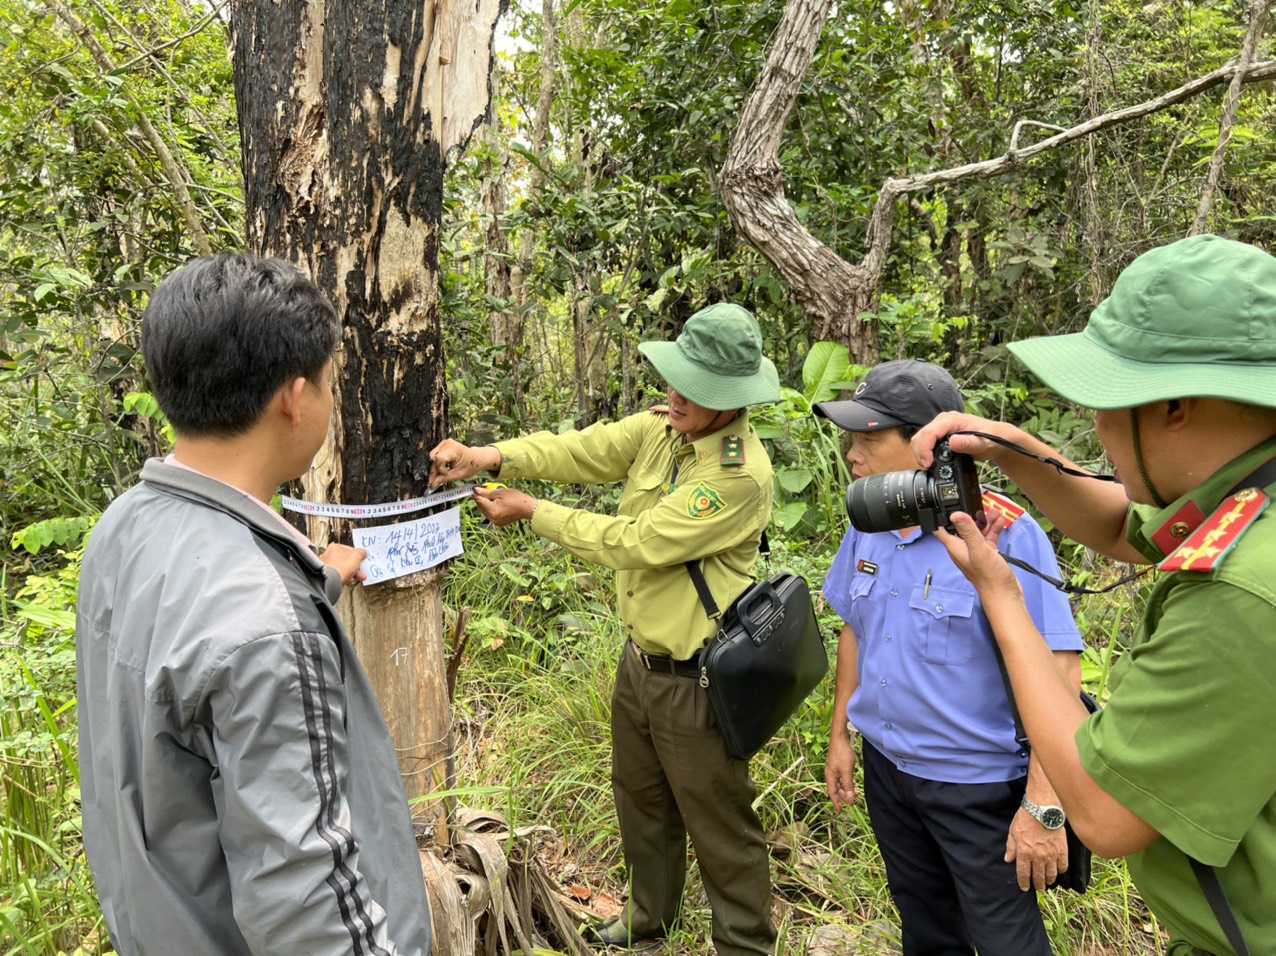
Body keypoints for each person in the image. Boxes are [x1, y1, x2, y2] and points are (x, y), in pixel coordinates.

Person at [914, 233, 1276, 956]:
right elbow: (1122, 525)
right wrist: (1017, 449)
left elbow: (1106, 816)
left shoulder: (1240, 589)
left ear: (1174, 404)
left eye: (1106, 404)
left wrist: (1003, 599)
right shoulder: (1248, 496)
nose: (1098, 430)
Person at [76, 254, 433, 955]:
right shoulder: (268, 628)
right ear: (294, 399)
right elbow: (306, 907)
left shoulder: (122, 527)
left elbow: (196, 663)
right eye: (331, 384)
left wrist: (307, 576)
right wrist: (288, 608)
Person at [428, 303, 780, 955]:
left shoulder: (734, 474)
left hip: (698, 677)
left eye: (692, 387)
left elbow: (637, 542)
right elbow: (585, 450)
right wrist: (489, 456)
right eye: (675, 379)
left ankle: (744, 943)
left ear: (728, 399)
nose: (673, 395)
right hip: (641, 663)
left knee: (718, 821)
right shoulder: (664, 428)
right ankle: (650, 920)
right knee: (641, 800)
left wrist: (533, 512)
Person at [815, 359, 1084, 956]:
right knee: (927, 928)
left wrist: (1045, 802)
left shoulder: (1004, 535)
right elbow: (855, 630)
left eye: (868, 438)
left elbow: (1061, 670)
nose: (852, 455)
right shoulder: (869, 524)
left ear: (927, 445)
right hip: (892, 774)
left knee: (1005, 941)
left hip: (977, 787)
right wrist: (842, 735)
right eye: (849, 439)